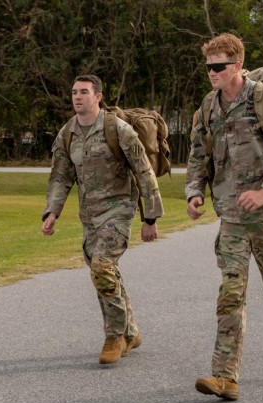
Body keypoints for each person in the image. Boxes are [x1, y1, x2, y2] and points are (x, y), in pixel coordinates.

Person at [186, 33, 263, 400]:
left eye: (219, 66)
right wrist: (195, 192)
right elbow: (198, 154)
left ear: (237, 65)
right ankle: (225, 377)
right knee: (231, 292)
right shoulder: (208, 107)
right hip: (230, 214)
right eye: (208, 66)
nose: (211, 72)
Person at [42, 74, 164, 365]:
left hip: (119, 209)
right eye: (74, 92)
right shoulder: (67, 133)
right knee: (106, 274)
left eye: (84, 92)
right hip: (89, 215)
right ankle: (131, 331)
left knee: (101, 267)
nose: (77, 97)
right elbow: (60, 176)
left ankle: (115, 336)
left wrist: (151, 216)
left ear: (98, 96)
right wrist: (52, 212)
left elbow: (144, 172)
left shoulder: (118, 129)